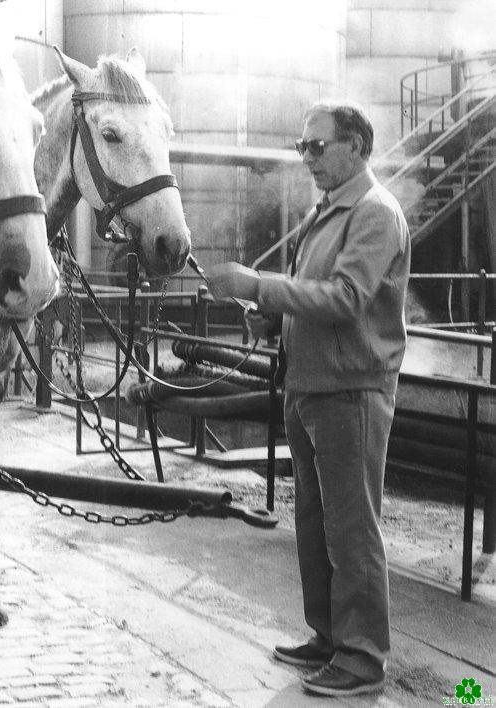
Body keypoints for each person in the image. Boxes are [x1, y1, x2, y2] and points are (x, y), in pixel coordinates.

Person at [206, 100, 410, 697]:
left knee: (353, 529)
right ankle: (329, 635)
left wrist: (258, 285)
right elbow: (313, 297)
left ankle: (363, 658)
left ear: (355, 147)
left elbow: (347, 299)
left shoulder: (373, 213)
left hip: (351, 392)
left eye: (317, 147)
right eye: (303, 148)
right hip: (310, 386)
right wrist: (265, 319)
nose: (307, 158)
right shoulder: (327, 212)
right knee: (317, 523)